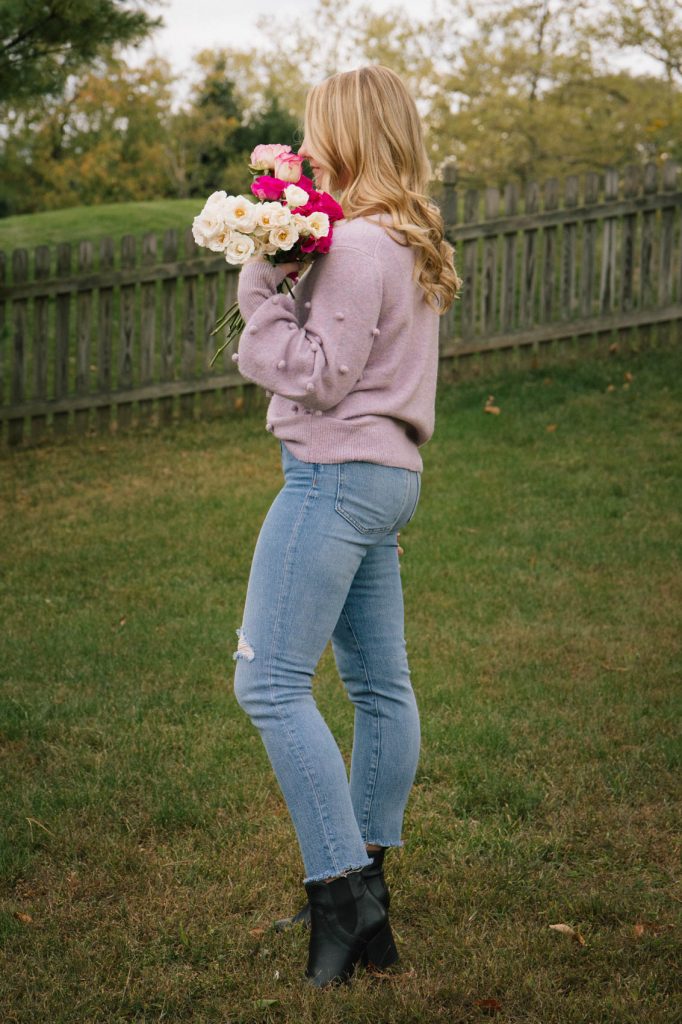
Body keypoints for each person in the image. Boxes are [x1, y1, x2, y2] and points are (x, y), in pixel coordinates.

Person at [231, 64, 461, 988]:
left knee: (271, 685)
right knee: (378, 686)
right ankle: (370, 897)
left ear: (352, 133)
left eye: (320, 128)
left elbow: (320, 373)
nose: (309, 144)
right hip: (387, 475)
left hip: (333, 471)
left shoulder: (360, 244)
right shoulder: (410, 236)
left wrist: (259, 289)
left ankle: (341, 891)